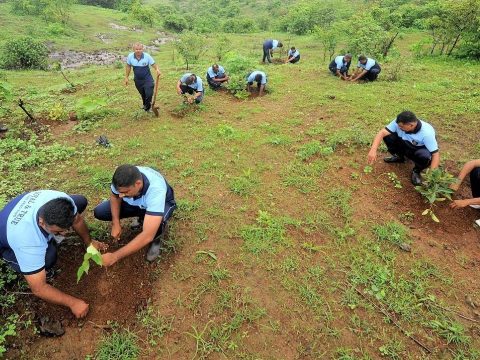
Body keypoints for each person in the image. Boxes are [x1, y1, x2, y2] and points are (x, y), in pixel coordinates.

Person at [0, 190, 107, 318]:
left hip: (19, 215)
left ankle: (51, 237)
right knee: (49, 257)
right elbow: (38, 288)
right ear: (41, 222)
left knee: (80, 201)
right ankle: (20, 259)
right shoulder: (27, 240)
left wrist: (89, 243)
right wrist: (73, 303)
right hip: (7, 240)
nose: (65, 234)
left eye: (66, 229)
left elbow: (77, 220)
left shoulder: (61, 199)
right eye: (59, 231)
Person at [93, 165, 176, 266]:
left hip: (161, 203)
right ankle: (142, 216)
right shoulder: (121, 180)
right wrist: (115, 223)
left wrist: (114, 257)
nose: (121, 196)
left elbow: (147, 235)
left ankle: (156, 240)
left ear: (138, 184)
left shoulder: (156, 190)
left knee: (157, 223)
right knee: (101, 212)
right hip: (137, 200)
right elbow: (115, 197)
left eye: (125, 192)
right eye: (120, 192)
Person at [367, 111, 440, 185]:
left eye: (401, 127)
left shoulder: (427, 133)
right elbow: (382, 132)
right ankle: (399, 157)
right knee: (387, 136)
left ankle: (416, 170)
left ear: (411, 125)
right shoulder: (399, 122)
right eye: (399, 125)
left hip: (418, 148)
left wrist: (432, 176)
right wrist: (373, 150)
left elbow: (435, 154)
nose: (398, 127)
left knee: (425, 156)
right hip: (405, 142)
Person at [124, 43, 161, 112]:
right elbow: (128, 66)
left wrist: (157, 69)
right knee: (143, 93)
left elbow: (153, 64)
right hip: (138, 80)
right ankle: (145, 105)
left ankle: (148, 107)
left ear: (142, 49)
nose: (138, 51)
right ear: (133, 50)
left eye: (140, 49)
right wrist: (126, 77)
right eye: (136, 49)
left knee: (149, 93)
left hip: (147, 78)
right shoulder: (130, 56)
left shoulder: (147, 56)